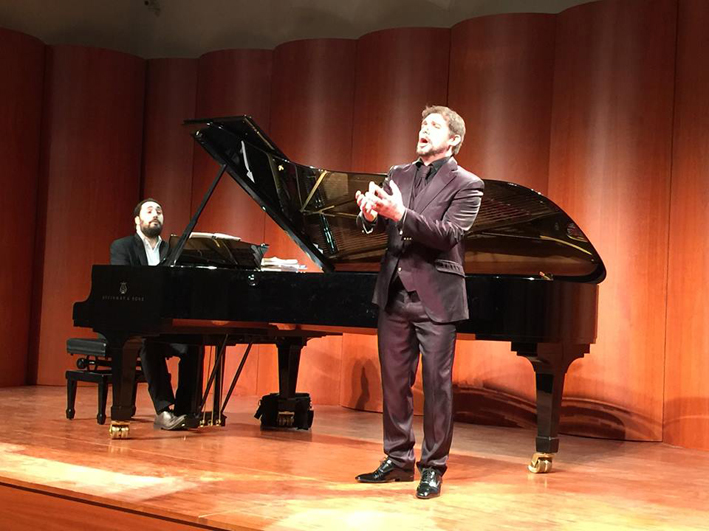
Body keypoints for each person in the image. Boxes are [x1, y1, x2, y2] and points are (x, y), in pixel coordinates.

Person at [354, 106, 484, 499]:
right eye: (423, 124)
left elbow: (448, 234)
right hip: (394, 291)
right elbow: (381, 222)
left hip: (436, 295)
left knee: (437, 386)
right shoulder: (398, 174)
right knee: (394, 382)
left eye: (434, 126)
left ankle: (433, 467)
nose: (424, 129)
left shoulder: (468, 184)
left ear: (453, 140)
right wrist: (369, 215)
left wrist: (400, 213)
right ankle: (397, 460)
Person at [110, 198, 200, 430]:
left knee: (193, 346)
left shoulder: (174, 250)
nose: (155, 214)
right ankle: (163, 411)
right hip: (135, 322)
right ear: (137, 220)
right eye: (149, 211)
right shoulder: (122, 247)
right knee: (147, 343)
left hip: (166, 323)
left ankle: (185, 409)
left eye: (159, 211)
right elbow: (122, 282)